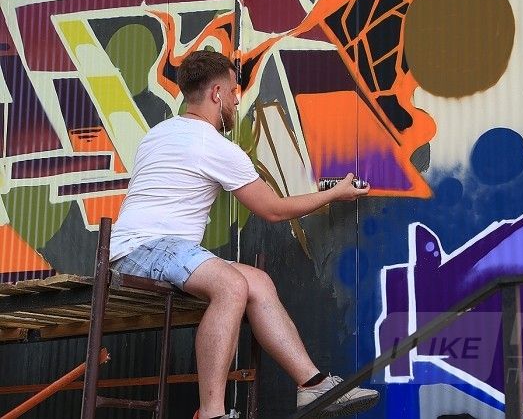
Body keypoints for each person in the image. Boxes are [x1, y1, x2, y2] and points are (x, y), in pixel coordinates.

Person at [109, 50, 379, 418]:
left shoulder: (158, 134)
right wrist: (335, 193)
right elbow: (272, 210)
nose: (238, 100)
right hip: (148, 249)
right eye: (235, 91)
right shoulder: (214, 146)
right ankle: (212, 413)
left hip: (140, 251)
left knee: (258, 282)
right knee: (231, 285)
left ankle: (312, 385)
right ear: (217, 93)